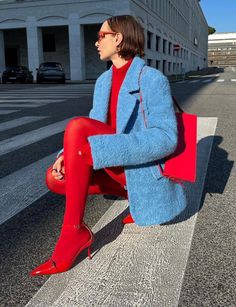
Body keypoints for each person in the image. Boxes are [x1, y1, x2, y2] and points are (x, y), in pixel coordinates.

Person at [30, 15, 186, 276]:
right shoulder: (104, 81)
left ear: (119, 38)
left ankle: (73, 233)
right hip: (111, 164)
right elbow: (94, 124)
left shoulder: (151, 79)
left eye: (102, 36)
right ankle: (131, 197)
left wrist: (106, 149)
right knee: (55, 178)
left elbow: (166, 138)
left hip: (138, 166)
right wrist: (66, 155)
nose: (96, 42)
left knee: (77, 127)